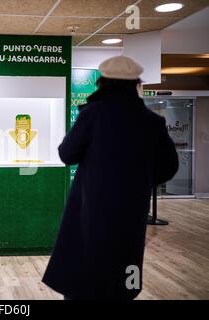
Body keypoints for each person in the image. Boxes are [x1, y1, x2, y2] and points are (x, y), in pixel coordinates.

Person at [42, 56, 179, 300]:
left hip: (91, 210)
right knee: (125, 267)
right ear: (136, 83)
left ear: (102, 82)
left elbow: (67, 154)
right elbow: (169, 167)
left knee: (84, 270)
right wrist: (140, 182)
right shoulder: (152, 122)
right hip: (132, 213)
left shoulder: (93, 113)